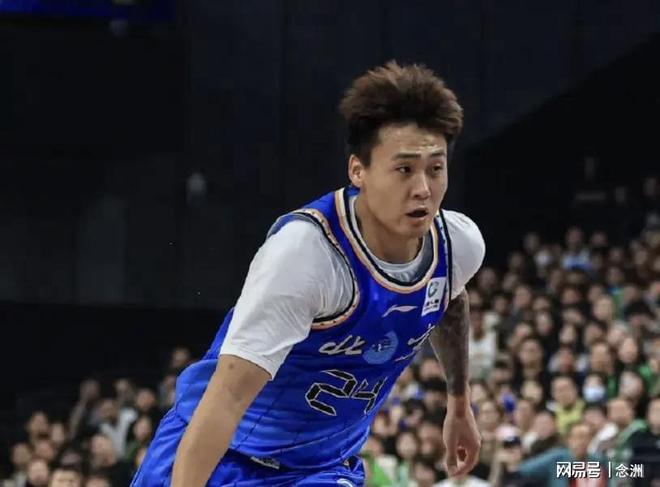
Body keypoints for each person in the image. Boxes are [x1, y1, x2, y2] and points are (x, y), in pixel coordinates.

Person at [132, 61, 485, 486]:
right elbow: (225, 398)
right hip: (222, 454)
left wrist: (459, 401)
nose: (423, 189)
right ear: (358, 171)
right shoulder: (306, 256)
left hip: (321, 469)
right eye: (404, 169)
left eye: (435, 168)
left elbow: (449, 300)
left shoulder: (459, 244)